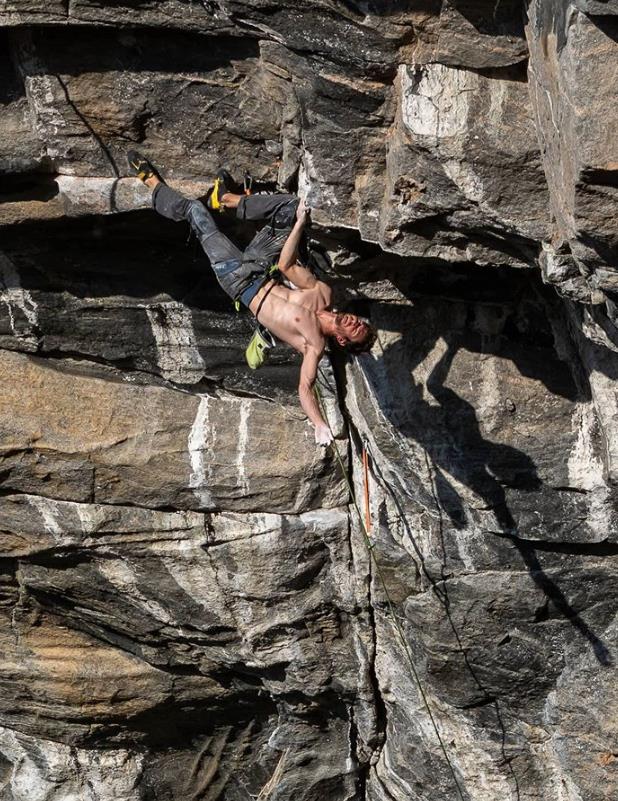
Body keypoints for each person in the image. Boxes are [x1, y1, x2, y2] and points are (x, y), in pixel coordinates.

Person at [127, 151, 377, 446]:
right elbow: (286, 266)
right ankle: (228, 200)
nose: (353, 321)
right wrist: (298, 224)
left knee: (195, 212)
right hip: (260, 269)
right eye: (359, 321)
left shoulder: (313, 345)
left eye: (355, 328)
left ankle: (154, 185)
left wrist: (319, 424)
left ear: (344, 341)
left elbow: (304, 389)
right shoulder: (323, 294)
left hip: (237, 279)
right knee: (290, 207)